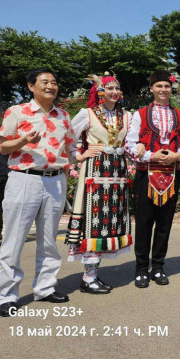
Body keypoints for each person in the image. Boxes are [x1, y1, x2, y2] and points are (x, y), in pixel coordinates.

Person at [0, 68, 77, 317]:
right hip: (24, 179)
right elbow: (2, 146)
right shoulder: (17, 111)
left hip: (55, 181)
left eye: (54, 82)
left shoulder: (64, 115)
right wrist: (22, 141)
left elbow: (70, 151)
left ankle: (45, 288)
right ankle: (7, 296)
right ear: (31, 86)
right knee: (15, 239)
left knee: (49, 241)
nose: (51, 86)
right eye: (44, 82)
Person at [65, 73, 132, 294]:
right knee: (93, 222)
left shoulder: (127, 115)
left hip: (117, 173)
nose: (114, 92)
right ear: (100, 92)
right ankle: (88, 277)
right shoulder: (88, 114)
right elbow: (68, 135)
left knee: (108, 221)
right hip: (95, 169)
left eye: (116, 88)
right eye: (109, 88)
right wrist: (79, 155)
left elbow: (132, 141)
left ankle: (92, 275)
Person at [125, 70, 180, 288]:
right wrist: (151, 155)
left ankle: (159, 267)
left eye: (167, 86)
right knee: (144, 223)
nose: (163, 90)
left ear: (171, 89)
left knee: (164, 223)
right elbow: (130, 144)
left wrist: (177, 155)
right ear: (152, 88)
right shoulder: (140, 114)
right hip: (146, 173)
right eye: (159, 86)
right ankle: (141, 268)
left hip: (172, 173)